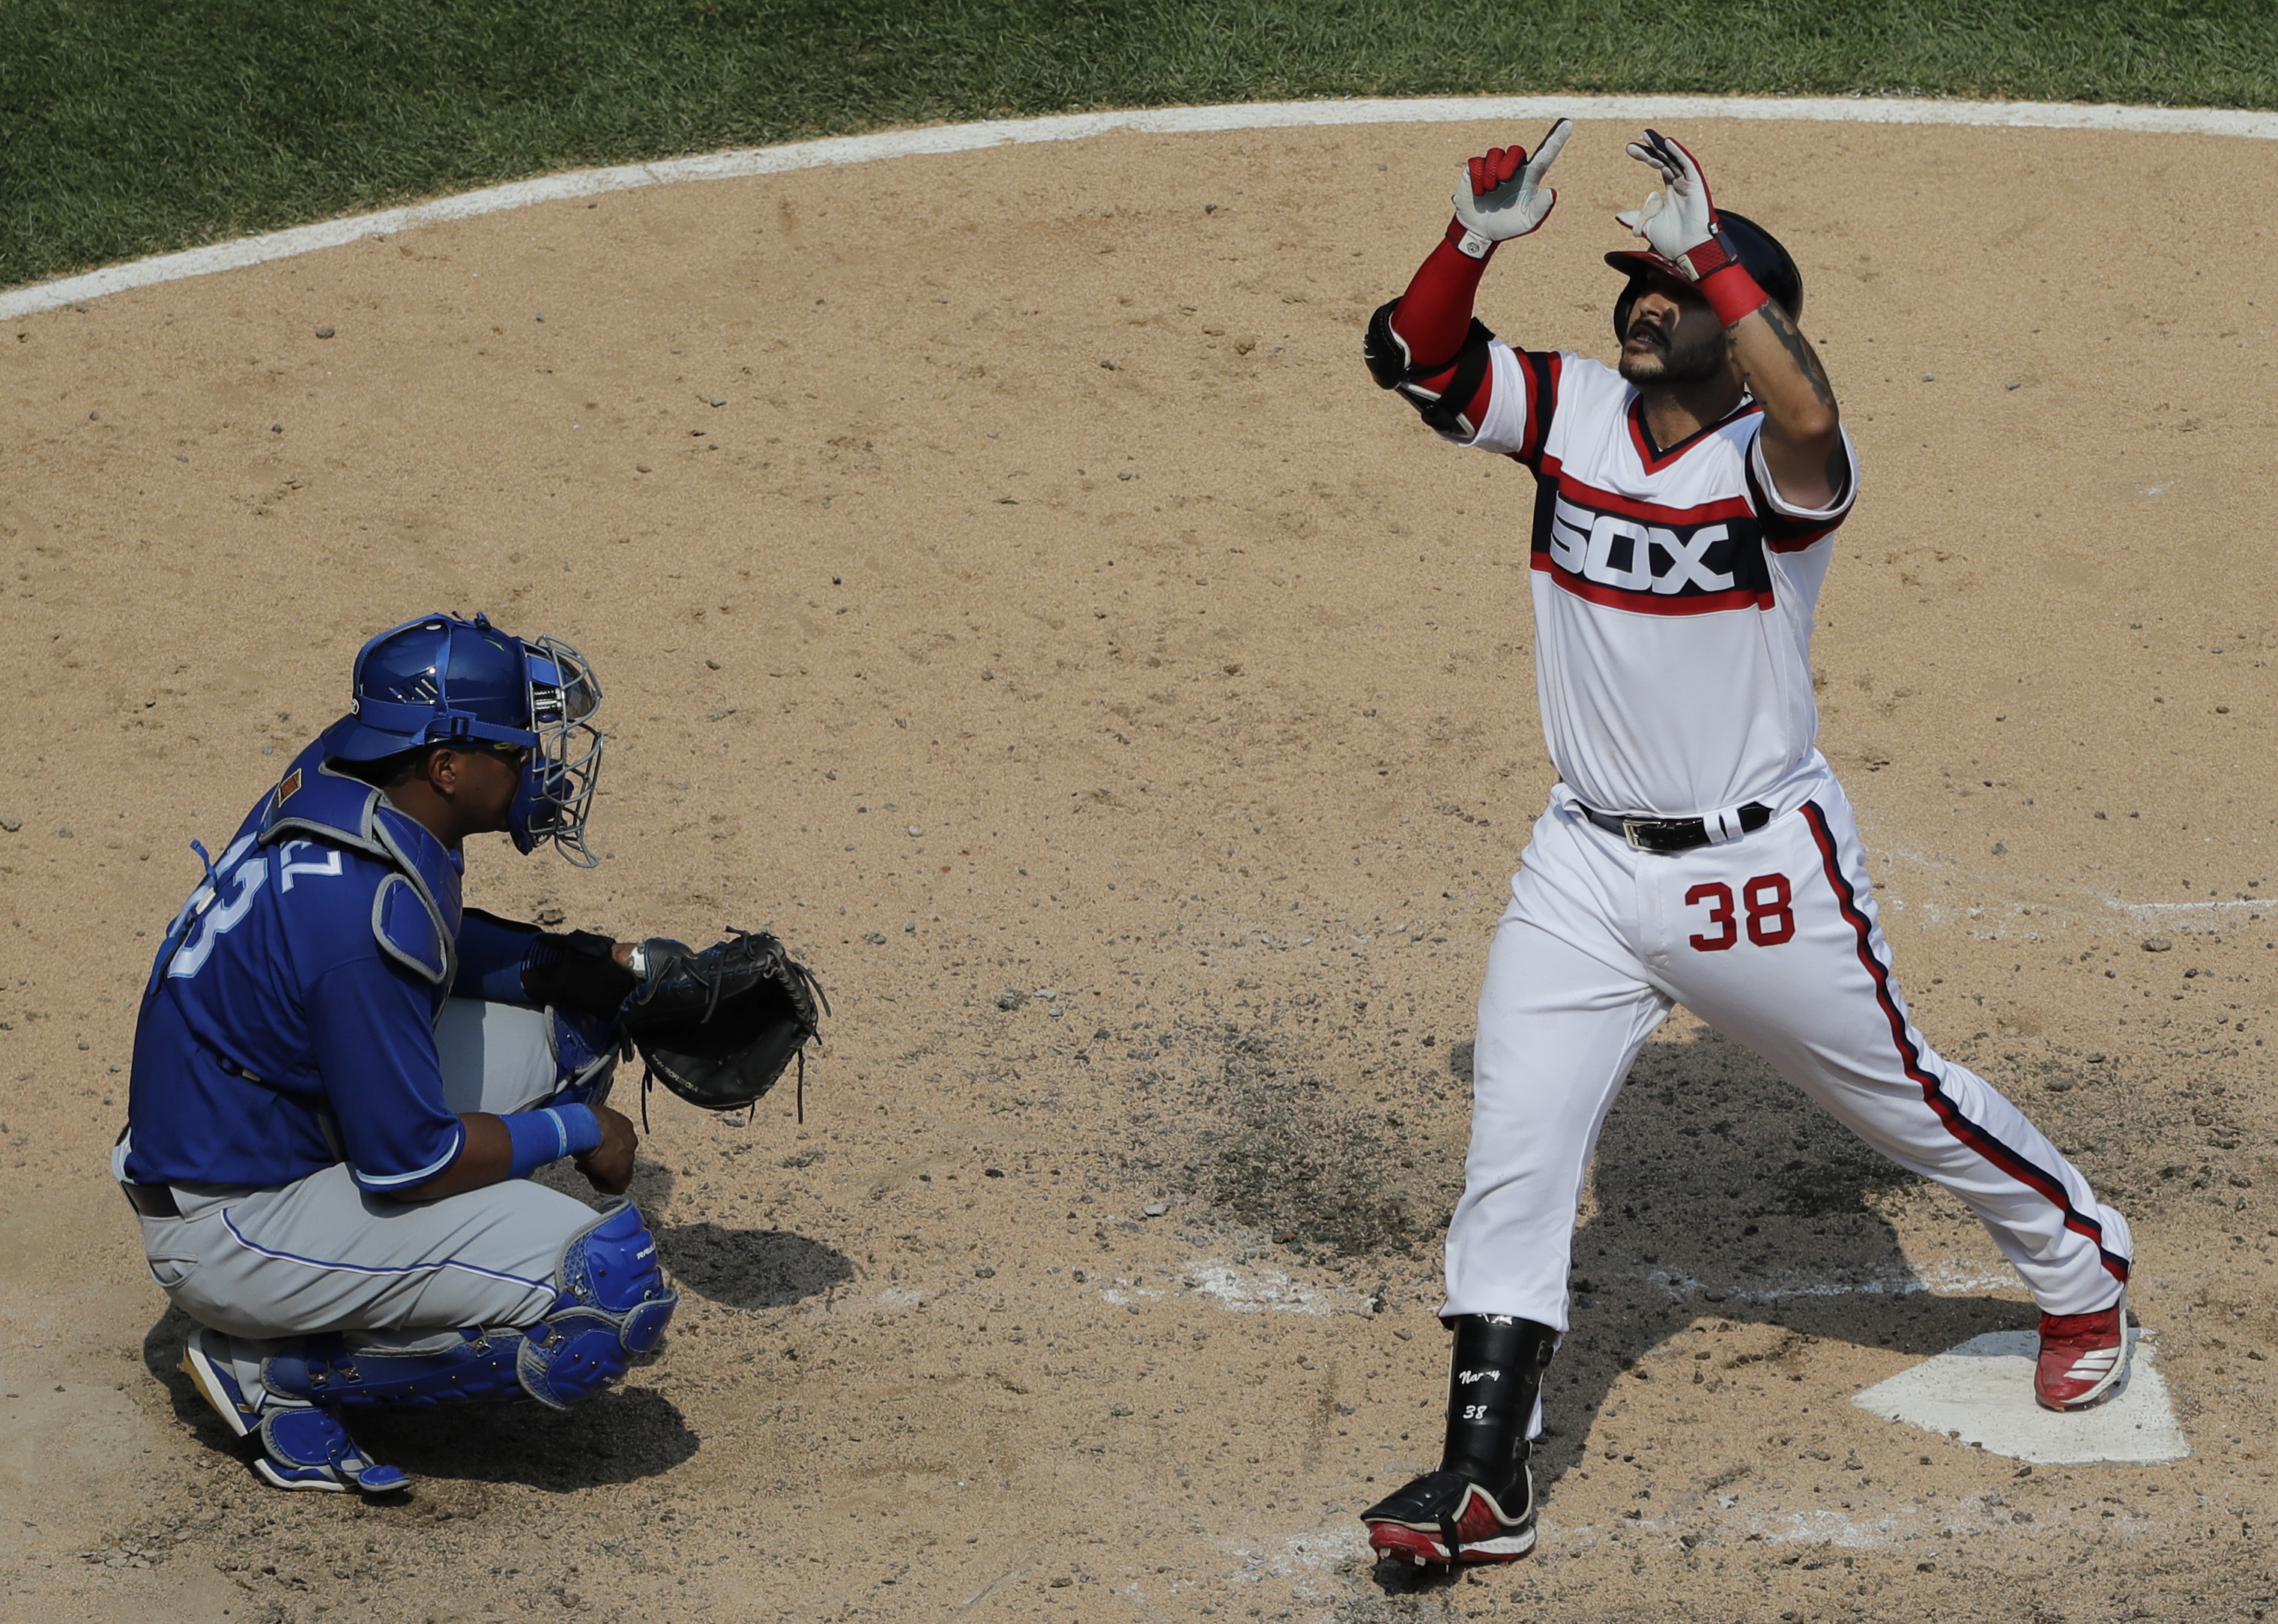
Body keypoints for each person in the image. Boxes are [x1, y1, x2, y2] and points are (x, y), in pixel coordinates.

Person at [1353, 122, 2134, 1568]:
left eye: (1670, 291)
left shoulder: (1779, 466)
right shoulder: (1572, 409)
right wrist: (1470, 239)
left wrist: (1714, 251)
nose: (1640, 305)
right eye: (1632, 285)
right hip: (1584, 864)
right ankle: (1483, 1476)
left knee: (1901, 1100)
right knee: (1513, 1153)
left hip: (1758, 872)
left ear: (1743, 320)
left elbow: (1816, 420)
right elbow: (1415, 358)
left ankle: (2081, 1269)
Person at [118, 612, 679, 1494]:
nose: (539, 764)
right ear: (446, 766)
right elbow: (412, 1162)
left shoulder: (350, 770)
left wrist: (600, 967)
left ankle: (376, 1284)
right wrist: (580, 1128)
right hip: (235, 1225)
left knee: (573, 1026)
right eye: (517, 749)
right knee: (610, 1294)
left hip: (261, 1128)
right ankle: (270, 1369)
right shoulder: (355, 923)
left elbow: (434, 931)